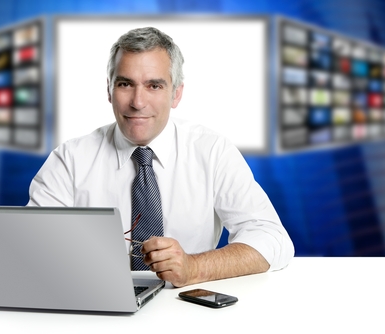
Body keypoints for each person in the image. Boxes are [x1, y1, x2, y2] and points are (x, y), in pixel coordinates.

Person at [27, 27, 294, 287]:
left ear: (176, 94)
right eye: (125, 84)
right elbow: (27, 245)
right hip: (96, 305)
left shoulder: (212, 151)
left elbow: (272, 239)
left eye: (154, 85)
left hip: (187, 310)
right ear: (109, 90)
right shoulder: (70, 160)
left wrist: (194, 267)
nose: (138, 102)